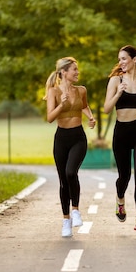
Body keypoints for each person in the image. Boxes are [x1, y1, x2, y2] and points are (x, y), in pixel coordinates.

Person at [103, 45, 136, 231]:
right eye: (119, 59)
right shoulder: (115, 81)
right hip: (121, 134)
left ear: (134, 59)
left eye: (124, 58)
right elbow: (107, 109)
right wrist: (118, 93)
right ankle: (120, 200)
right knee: (124, 176)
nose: (121, 62)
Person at [45, 57, 96, 237]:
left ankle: (75, 210)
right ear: (64, 72)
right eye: (74, 69)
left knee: (70, 173)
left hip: (78, 138)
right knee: (63, 181)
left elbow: (84, 106)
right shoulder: (53, 92)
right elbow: (50, 117)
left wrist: (90, 117)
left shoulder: (81, 90)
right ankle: (66, 220)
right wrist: (62, 105)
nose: (77, 72)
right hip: (61, 139)